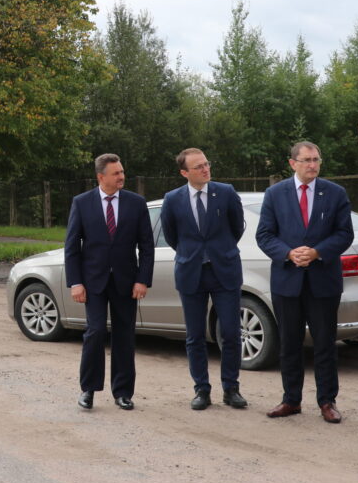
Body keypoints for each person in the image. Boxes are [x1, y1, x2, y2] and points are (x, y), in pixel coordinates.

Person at [255, 141, 353, 423]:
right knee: (289, 343)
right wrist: (288, 253)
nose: (313, 165)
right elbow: (265, 235)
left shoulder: (335, 193)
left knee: (324, 343)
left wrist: (317, 252)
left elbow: (344, 233)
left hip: (323, 281)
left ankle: (327, 401)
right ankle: (291, 400)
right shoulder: (275, 194)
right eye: (307, 160)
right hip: (287, 281)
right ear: (292, 163)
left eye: (316, 160)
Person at [65, 153, 155, 411]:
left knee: (124, 335)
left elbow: (146, 246)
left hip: (126, 282)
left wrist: (142, 280)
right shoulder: (82, 203)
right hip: (93, 281)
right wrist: (75, 282)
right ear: (100, 177)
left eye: (122, 172)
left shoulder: (136, 203)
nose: (121, 177)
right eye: (116, 173)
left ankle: (123, 392)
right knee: (94, 332)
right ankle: (88, 390)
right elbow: (72, 246)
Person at [161, 148, 247, 410]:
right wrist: (192, 254)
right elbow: (171, 235)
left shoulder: (226, 192)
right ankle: (201, 390)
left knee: (231, 333)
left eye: (207, 164)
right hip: (191, 273)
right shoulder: (172, 199)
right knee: (195, 336)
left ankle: (231, 388)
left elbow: (237, 227)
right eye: (198, 167)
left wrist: (220, 251)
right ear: (184, 172)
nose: (205, 169)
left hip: (225, 271)